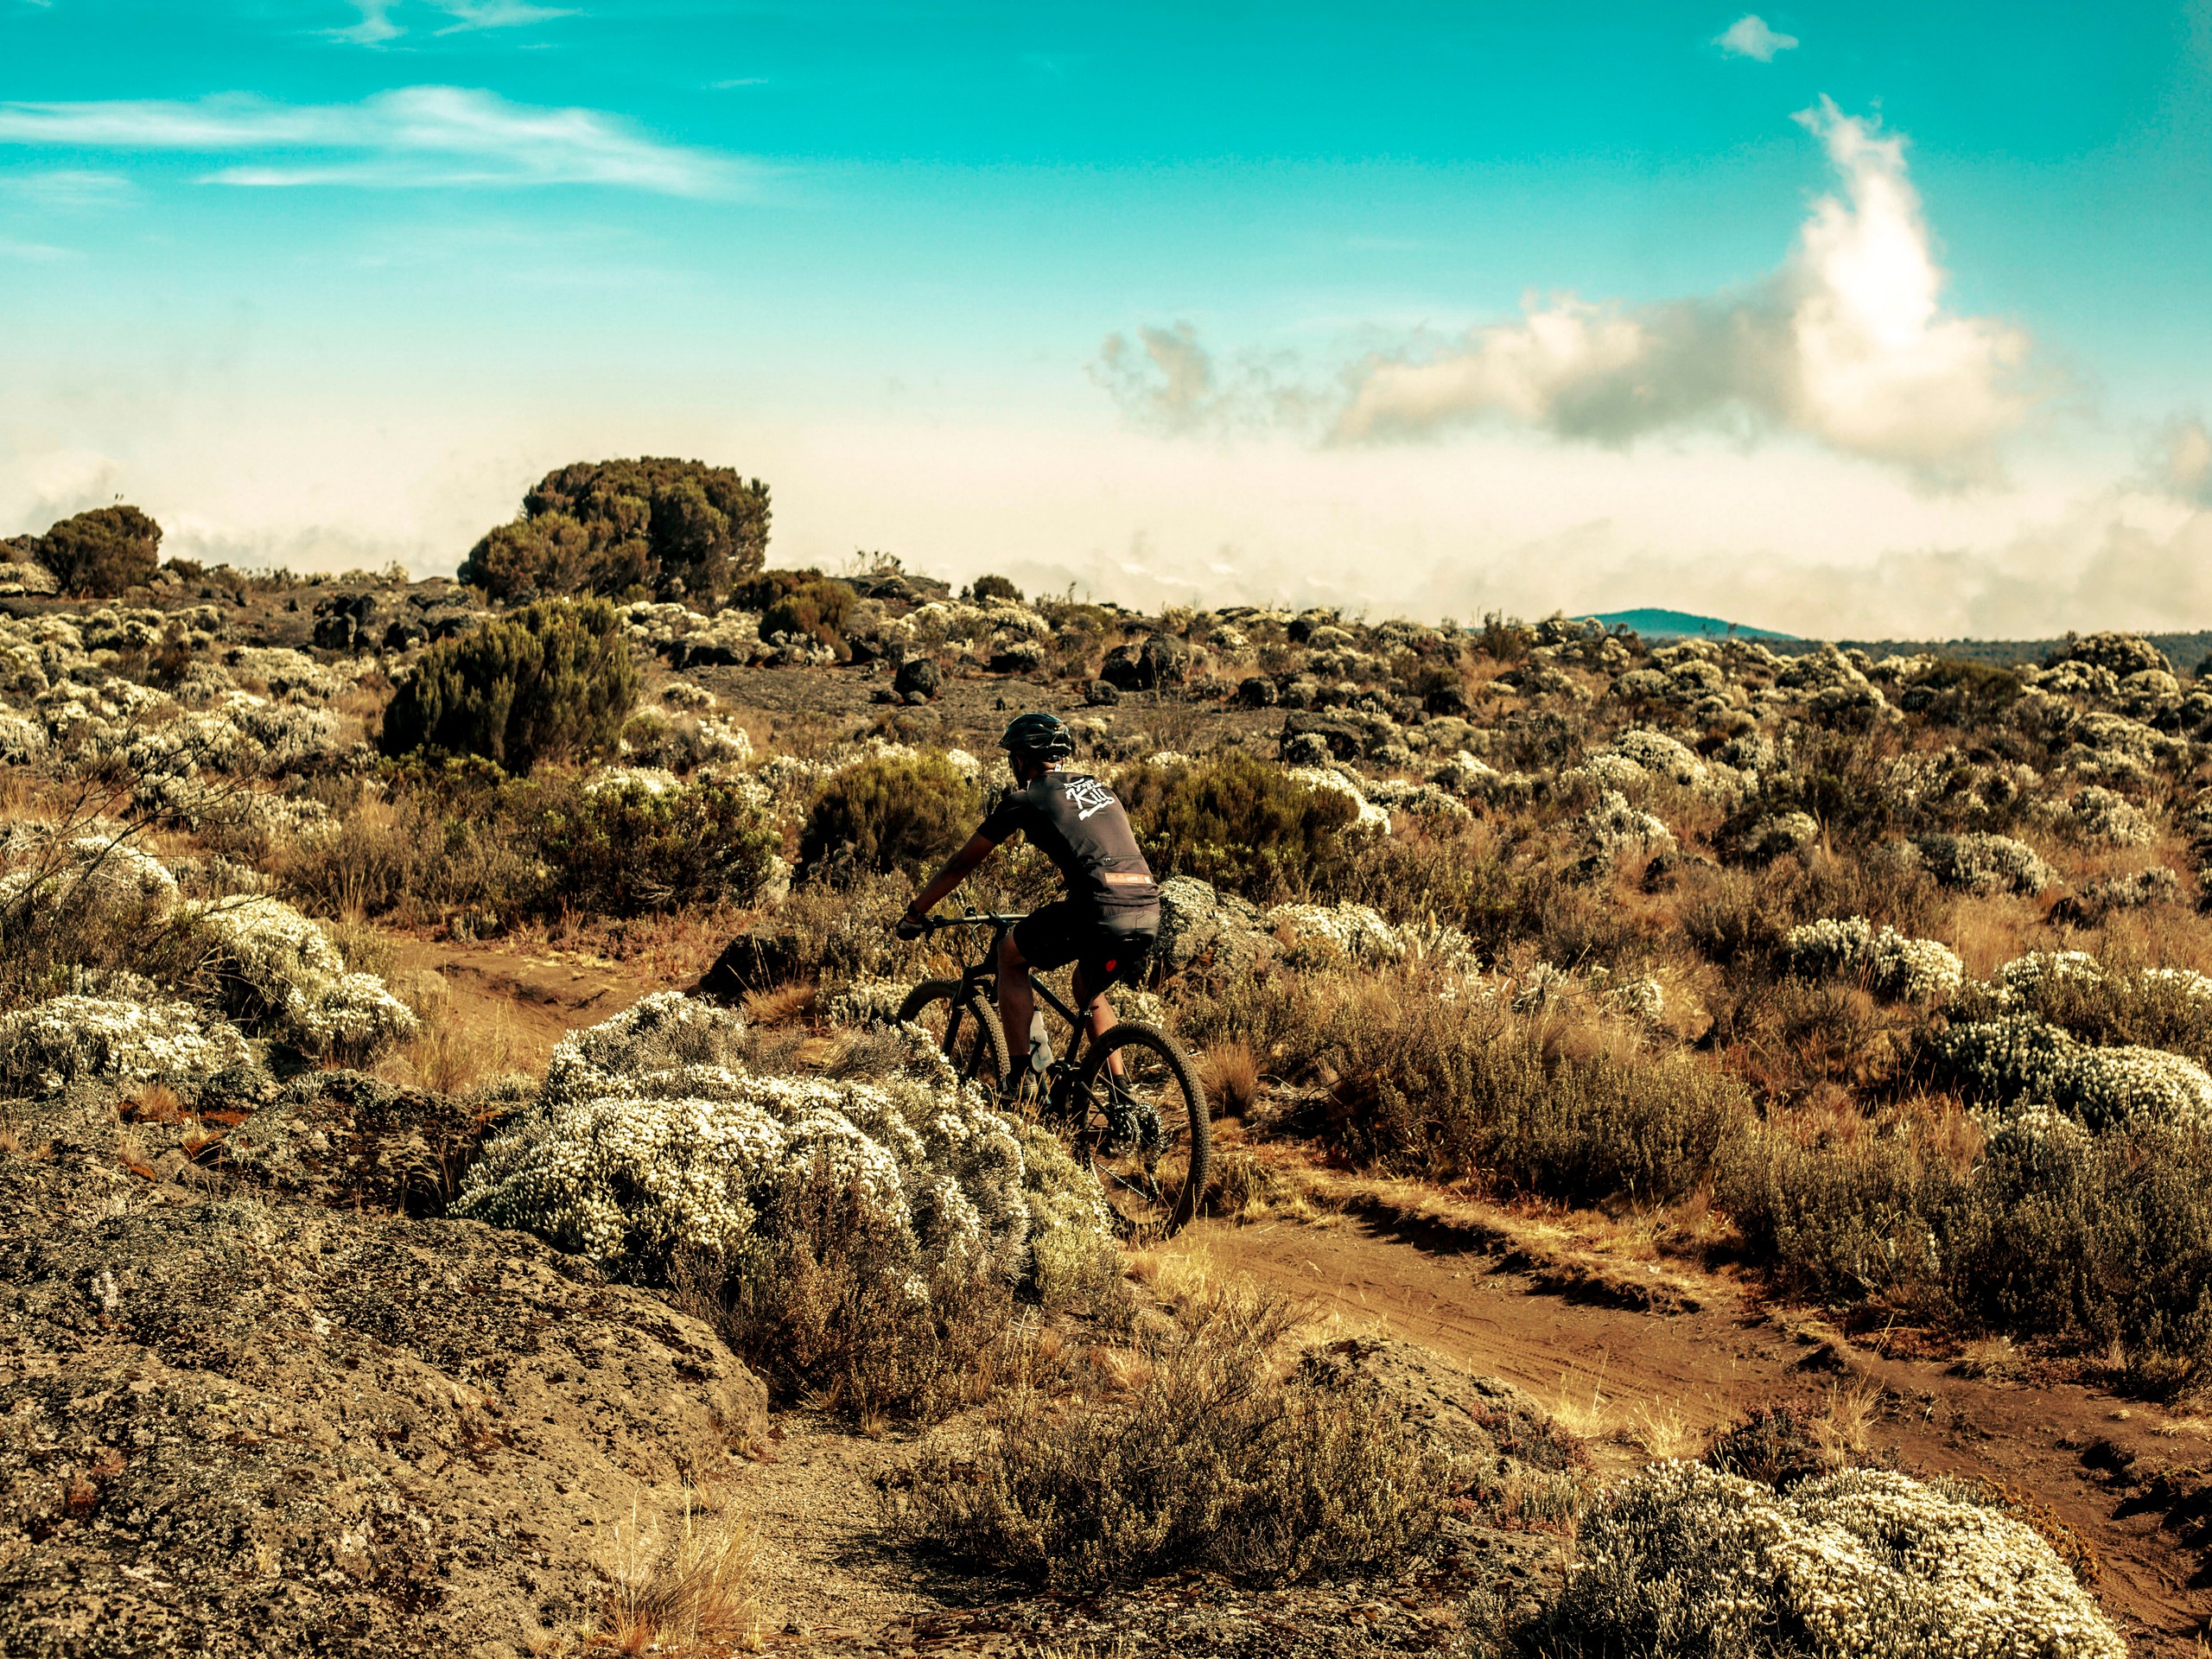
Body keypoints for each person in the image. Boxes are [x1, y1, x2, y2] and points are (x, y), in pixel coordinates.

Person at [898, 712, 1159, 1091]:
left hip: (1098, 907)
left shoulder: (1025, 799)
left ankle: (1019, 1080)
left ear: (1019, 759)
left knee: (1009, 953)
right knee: (1088, 988)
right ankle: (1121, 1092)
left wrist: (915, 912)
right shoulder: (1101, 789)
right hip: (1147, 906)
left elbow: (960, 864)